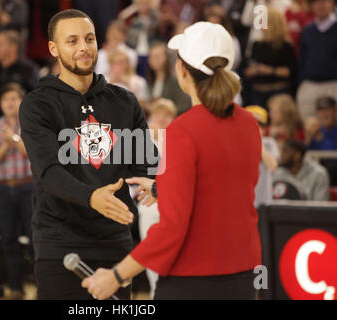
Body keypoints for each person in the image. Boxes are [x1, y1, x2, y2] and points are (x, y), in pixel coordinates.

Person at [82, 21, 262, 300]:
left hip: (192, 279)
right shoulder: (249, 122)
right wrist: (162, 188)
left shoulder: (182, 130)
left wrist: (117, 276)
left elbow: (172, 229)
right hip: (243, 275)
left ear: (181, 70)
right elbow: (222, 189)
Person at [19, 9, 157, 300]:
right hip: (60, 243)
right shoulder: (37, 105)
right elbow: (49, 172)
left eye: (89, 39)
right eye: (72, 41)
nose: (83, 47)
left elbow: (145, 160)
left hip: (115, 243)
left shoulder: (124, 100)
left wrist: (154, 182)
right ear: (54, 49)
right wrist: (91, 197)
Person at [0, 83, 32, 300]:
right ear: (1, 104)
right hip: (4, 187)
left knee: (36, 240)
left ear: (22, 101)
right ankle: (15, 288)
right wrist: (6, 144)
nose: (10, 103)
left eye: (14, 98)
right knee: (9, 241)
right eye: (6, 99)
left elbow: (35, 155)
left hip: (29, 186)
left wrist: (15, 140)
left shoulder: (32, 123)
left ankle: (43, 287)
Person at [137, 98, 177, 299]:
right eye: (158, 113)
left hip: (170, 205)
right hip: (148, 204)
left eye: (167, 114)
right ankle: (155, 294)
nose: (161, 118)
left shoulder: (178, 140)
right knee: (149, 254)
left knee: (170, 257)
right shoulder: (141, 139)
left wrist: (161, 138)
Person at [245, 6, 297, 110]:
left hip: (278, 91)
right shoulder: (256, 44)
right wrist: (252, 71)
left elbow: (291, 71)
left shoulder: (285, 45)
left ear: (273, 24)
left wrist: (269, 70)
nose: (261, 26)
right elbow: (248, 68)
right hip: (257, 91)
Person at [0, 30, 39, 122]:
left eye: (0, 44)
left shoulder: (29, 70)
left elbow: (36, 99)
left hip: (22, 123)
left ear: (13, 47)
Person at [297, 0, 337, 120]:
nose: (321, 5)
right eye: (316, 2)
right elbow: (302, 61)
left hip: (333, 84)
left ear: (332, 3)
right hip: (310, 85)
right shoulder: (307, 30)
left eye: (324, 1)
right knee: (310, 126)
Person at [246, 105, 280, 209]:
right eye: (250, 123)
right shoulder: (235, 142)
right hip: (243, 201)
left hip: (263, 202)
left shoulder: (269, 143)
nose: (255, 127)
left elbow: (272, 166)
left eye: (259, 124)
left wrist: (257, 141)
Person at [147, 42, 191, 116]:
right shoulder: (150, 82)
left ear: (166, 57)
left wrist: (167, 110)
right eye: (152, 57)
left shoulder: (175, 81)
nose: (155, 60)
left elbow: (183, 106)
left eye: (158, 56)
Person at [305, 96, 337, 185]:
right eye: (320, 110)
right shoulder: (314, 130)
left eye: (327, 110)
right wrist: (308, 138)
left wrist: (320, 137)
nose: (323, 114)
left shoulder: (319, 132)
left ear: (335, 110)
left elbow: (333, 158)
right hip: (314, 179)